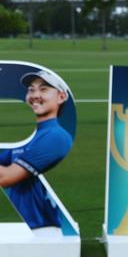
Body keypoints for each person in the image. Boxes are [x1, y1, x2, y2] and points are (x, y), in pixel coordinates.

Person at [0, 70, 73, 229]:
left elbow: (5, 177)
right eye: (31, 90)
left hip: (44, 230)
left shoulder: (55, 137)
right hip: (25, 227)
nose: (35, 95)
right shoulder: (29, 136)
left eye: (44, 89)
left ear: (61, 97)